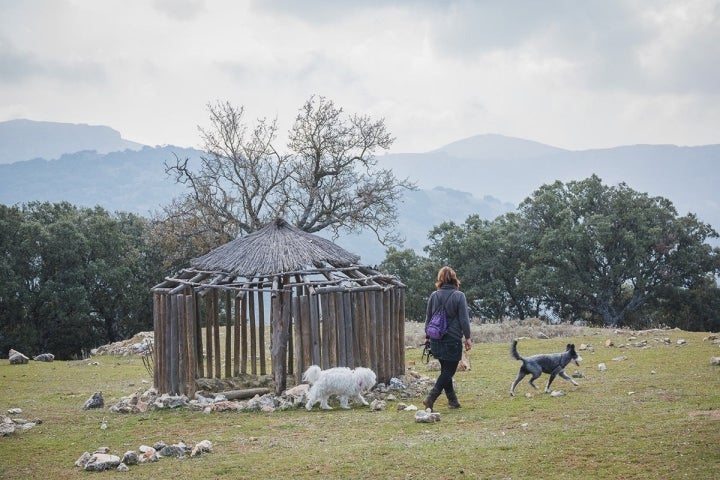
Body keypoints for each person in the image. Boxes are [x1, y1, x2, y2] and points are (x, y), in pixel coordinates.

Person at [423, 266, 472, 410]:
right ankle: (431, 397)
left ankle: (453, 401)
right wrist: (467, 337)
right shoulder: (459, 296)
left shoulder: (433, 295)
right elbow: (464, 319)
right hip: (452, 338)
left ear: (440, 279)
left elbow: (428, 318)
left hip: (436, 338)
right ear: (454, 279)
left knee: (446, 369)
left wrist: (427, 336)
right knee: (449, 370)